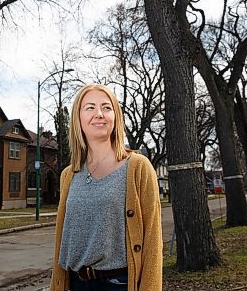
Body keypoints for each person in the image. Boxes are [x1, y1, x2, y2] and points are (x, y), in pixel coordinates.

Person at [50, 84, 163, 291]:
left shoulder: (138, 167)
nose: (99, 114)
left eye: (106, 107)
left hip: (118, 284)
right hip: (75, 283)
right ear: (78, 118)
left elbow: (153, 242)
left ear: (115, 117)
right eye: (90, 107)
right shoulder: (68, 175)